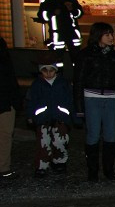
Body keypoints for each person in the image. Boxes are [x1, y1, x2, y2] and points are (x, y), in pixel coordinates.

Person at [74, 23, 115, 182]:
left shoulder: (113, 56)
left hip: (111, 98)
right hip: (91, 98)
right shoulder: (85, 55)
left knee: (110, 135)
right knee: (93, 135)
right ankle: (92, 172)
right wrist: (79, 107)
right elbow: (78, 81)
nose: (111, 37)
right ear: (98, 35)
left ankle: (109, 170)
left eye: (111, 34)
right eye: (107, 34)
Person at [26, 58, 74, 177]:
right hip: (42, 117)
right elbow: (31, 101)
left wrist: (74, 117)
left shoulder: (63, 83)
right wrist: (30, 116)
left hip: (60, 116)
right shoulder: (37, 84)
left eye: (51, 70)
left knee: (60, 140)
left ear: (56, 71)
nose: (48, 73)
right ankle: (42, 165)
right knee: (43, 142)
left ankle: (59, 162)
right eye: (45, 70)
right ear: (40, 71)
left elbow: (70, 101)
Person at [38, 0, 83, 65]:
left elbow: (80, 13)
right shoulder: (47, 1)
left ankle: (77, 76)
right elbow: (41, 16)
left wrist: (72, 10)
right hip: (57, 35)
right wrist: (53, 13)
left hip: (72, 33)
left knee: (76, 59)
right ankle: (59, 76)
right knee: (58, 60)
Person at [0, 37, 22, 179]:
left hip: (5, 100)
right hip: (5, 100)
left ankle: (3, 168)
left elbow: (9, 77)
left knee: (5, 135)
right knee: (5, 135)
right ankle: (3, 168)